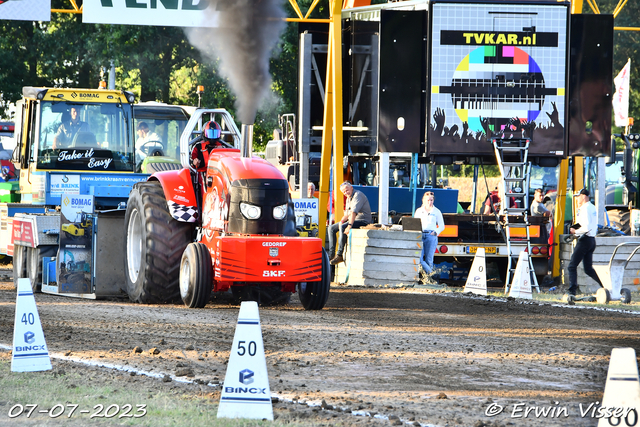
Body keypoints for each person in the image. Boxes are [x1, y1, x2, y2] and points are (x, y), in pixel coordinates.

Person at [567, 188, 603, 296]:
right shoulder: (592, 207)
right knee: (588, 269)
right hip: (592, 240)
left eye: (578, 196)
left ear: (583, 196)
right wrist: (574, 229)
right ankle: (605, 286)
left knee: (572, 266)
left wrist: (575, 231)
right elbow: (584, 223)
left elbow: (586, 227)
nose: (577, 198)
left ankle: (572, 291)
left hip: (585, 239)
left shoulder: (584, 208)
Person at [328, 181, 372, 265]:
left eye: (347, 190)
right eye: (344, 192)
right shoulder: (349, 198)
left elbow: (353, 213)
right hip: (353, 219)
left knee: (343, 227)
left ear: (351, 187)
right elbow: (347, 214)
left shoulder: (357, 195)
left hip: (363, 220)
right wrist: (341, 221)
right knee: (331, 228)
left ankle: (339, 254)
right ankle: (331, 254)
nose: (346, 192)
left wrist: (349, 225)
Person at [414, 191, 445, 275]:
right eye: (428, 200)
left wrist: (436, 232)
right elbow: (415, 223)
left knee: (429, 259)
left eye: (431, 200)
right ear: (423, 200)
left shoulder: (437, 211)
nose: (430, 202)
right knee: (419, 259)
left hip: (431, 235)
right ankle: (431, 273)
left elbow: (442, 226)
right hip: (420, 235)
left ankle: (428, 278)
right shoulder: (419, 211)